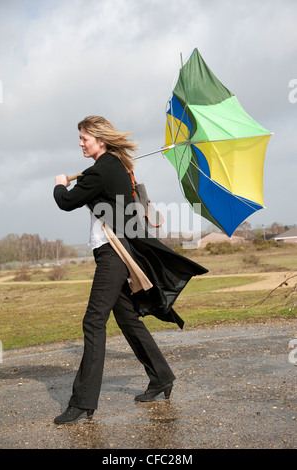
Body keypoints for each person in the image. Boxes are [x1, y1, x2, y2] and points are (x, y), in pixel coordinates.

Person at [53, 116, 208, 424]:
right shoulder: (110, 166)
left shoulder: (102, 169)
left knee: (93, 321)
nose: (81, 143)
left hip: (112, 254)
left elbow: (66, 201)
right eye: (80, 138)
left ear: (100, 139)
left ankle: (83, 401)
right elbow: (118, 197)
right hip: (113, 252)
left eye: (84, 138)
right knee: (125, 317)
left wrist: (60, 184)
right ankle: (161, 377)